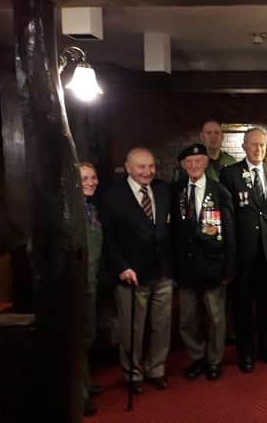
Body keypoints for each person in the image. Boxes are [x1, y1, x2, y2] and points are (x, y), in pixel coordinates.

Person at [100, 148, 173, 394]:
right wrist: (121, 267)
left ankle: (156, 370)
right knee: (132, 330)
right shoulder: (111, 195)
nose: (147, 171)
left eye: (151, 166)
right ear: (128, 167)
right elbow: (107, 238)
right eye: (141, 167)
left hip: (162, 272)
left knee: (161, 326)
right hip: (131, 274)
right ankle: (132, 373)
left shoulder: (163, 189)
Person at [219, 128, 267, 373]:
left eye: (262, 145)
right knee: (243, 305)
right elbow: (228, 216)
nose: (258, 149)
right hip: (243, 252)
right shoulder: (230, 174)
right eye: (254, 145)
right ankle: (245, 352)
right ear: (244, 146)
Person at [172, 143, 236, 382]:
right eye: (189, 162)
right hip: (186, 268)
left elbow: (230, 232)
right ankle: (197, 357)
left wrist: (230, 267)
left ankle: (214, 360)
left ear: (206, 163)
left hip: (213, 266)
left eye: (199, 161)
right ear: (183, 165)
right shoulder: (175, 190)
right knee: (187, 320)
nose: (194, 165)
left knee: (217, 319)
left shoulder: (220, 191)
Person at [79, 162, 102, 417]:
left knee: (88, 336)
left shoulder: (91, 208)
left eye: (93, 177)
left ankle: (84, 382)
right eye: (84, 177)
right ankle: (80, 394)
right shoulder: (65, 210)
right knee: (77, 340)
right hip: (74, 287)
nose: (91, 182)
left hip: (91, 283)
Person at [173, 119, 237, 182]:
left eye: (216, 133)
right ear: (202, 136)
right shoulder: (192, 162)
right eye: (209, 133)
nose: (213, 137)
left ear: (222, 137)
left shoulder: (231, 162)